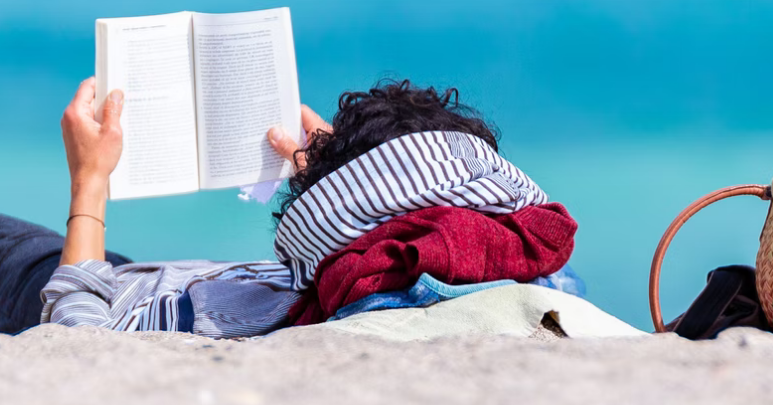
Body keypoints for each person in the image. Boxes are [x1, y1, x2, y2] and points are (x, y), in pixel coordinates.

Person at [0, 78, 577, 337]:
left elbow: (75, 333)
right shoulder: (525, 264)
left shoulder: (278, 329)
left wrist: (90, 180)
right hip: (163, 278)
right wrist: (339, 177)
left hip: (83, 286)